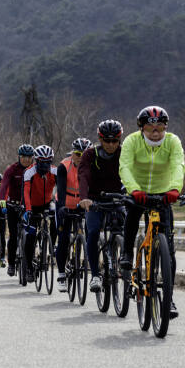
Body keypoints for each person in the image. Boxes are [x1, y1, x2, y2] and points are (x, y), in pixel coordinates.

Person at [119, 106, 185, 319]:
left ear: (166, 127)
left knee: (170, 250)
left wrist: (175, 189)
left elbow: (178, 165)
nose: (155, 131)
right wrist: (133, 189)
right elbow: (125, 167)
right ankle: (127, 253)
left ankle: (169, 297)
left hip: (164, 194)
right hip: (138, 192)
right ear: (141, 128)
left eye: (160, 127)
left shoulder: (173, 142)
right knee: (132, 215)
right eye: (150, 127)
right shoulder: (131, 141)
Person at [78, 120, 126, 293]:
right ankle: (96, 275)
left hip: (118, 197)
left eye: (115, 141)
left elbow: (133, 173)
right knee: (93, 231)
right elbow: (83, 176)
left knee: (124, 228)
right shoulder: (90, 154)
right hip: (94, 198)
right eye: (107, 141)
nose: (111, 145)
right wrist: (84, 198)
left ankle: (123, 263)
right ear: (100, 139)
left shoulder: (125, 153)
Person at [54, 137, 92, 292]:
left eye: (85, 153)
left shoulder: (91, 166)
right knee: (63, 238)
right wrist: (62, 206)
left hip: (84, 203)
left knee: (91, 234)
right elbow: (61, 189)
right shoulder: (64, 166)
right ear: (72, 153)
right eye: (77, 153)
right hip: (65, 203)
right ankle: (62, 274)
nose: (81, 157)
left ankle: (87, 262)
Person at [22, 145, 57, 283]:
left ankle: (51, 246)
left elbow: (61, 187)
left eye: (48, 161)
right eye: (42, 162)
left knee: (56, 218)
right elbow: (26, 192)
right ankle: (29, 267)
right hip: (33, 205)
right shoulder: (29, 172)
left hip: (48, 203)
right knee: (30, 235)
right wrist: (29, 210)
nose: (46, 164)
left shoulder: (54, 171)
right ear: (36, 161)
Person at [0, 144, 34, 276]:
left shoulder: (34, 169)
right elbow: (4, 185)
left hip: (28, 207)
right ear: (19, 157)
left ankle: (30, 263)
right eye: (23, 156)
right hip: (13, 206)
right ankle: (12, 263)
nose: (26, 159)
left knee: (31, 235)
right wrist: (2, 199)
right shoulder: (12, 169)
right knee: (13, 236)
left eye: (29, 157)